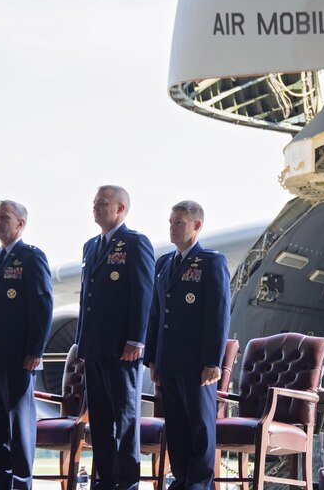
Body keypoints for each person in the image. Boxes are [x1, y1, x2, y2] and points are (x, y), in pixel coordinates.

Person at [145, 200, 231, 490]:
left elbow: (218, 314)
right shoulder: (164, 263)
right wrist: (153, 359)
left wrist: (212, 361)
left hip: (196, 363)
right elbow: (155, 313)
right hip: (168, 361)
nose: (172, 228)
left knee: (200, 426)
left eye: (178, 223)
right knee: (178, 427)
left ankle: (199, 483)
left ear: (196, 225)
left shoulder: (211, 262)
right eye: (170, 222)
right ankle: (181, 480)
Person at [75, 185, 154, 490]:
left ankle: (127, 481)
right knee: (101, 420)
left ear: (121, 208)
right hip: (95, 346)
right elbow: (88, 299)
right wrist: (82, 341)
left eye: (103, 203)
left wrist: (137, 339)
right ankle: (105, 480)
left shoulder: (135, 243)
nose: (95, 207)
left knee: (125, 418)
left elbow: (143, 293)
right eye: (94, 203)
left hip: (123, 348)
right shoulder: (91, 246)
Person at [0, 200, 53, 489]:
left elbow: (42, 304)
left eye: (4, 217)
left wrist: (35, 350)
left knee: (18, 429)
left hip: (18, 358)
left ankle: (21, 484)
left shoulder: (31, 258)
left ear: (20, 224)